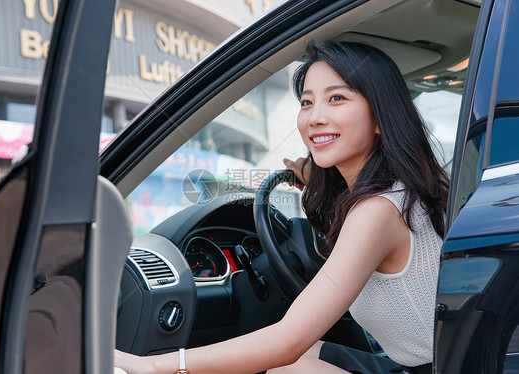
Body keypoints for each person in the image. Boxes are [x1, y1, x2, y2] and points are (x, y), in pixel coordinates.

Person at [114, 40, 449, 374]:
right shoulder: (402, 192)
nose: (315, 117)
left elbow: (286, 342)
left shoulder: (377, 210)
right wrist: (319, 178)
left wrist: (159, 366)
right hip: (429, 363)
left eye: (337, 98)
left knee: (287, 367)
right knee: (312, 354)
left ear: (380, 117)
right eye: (307, 101)